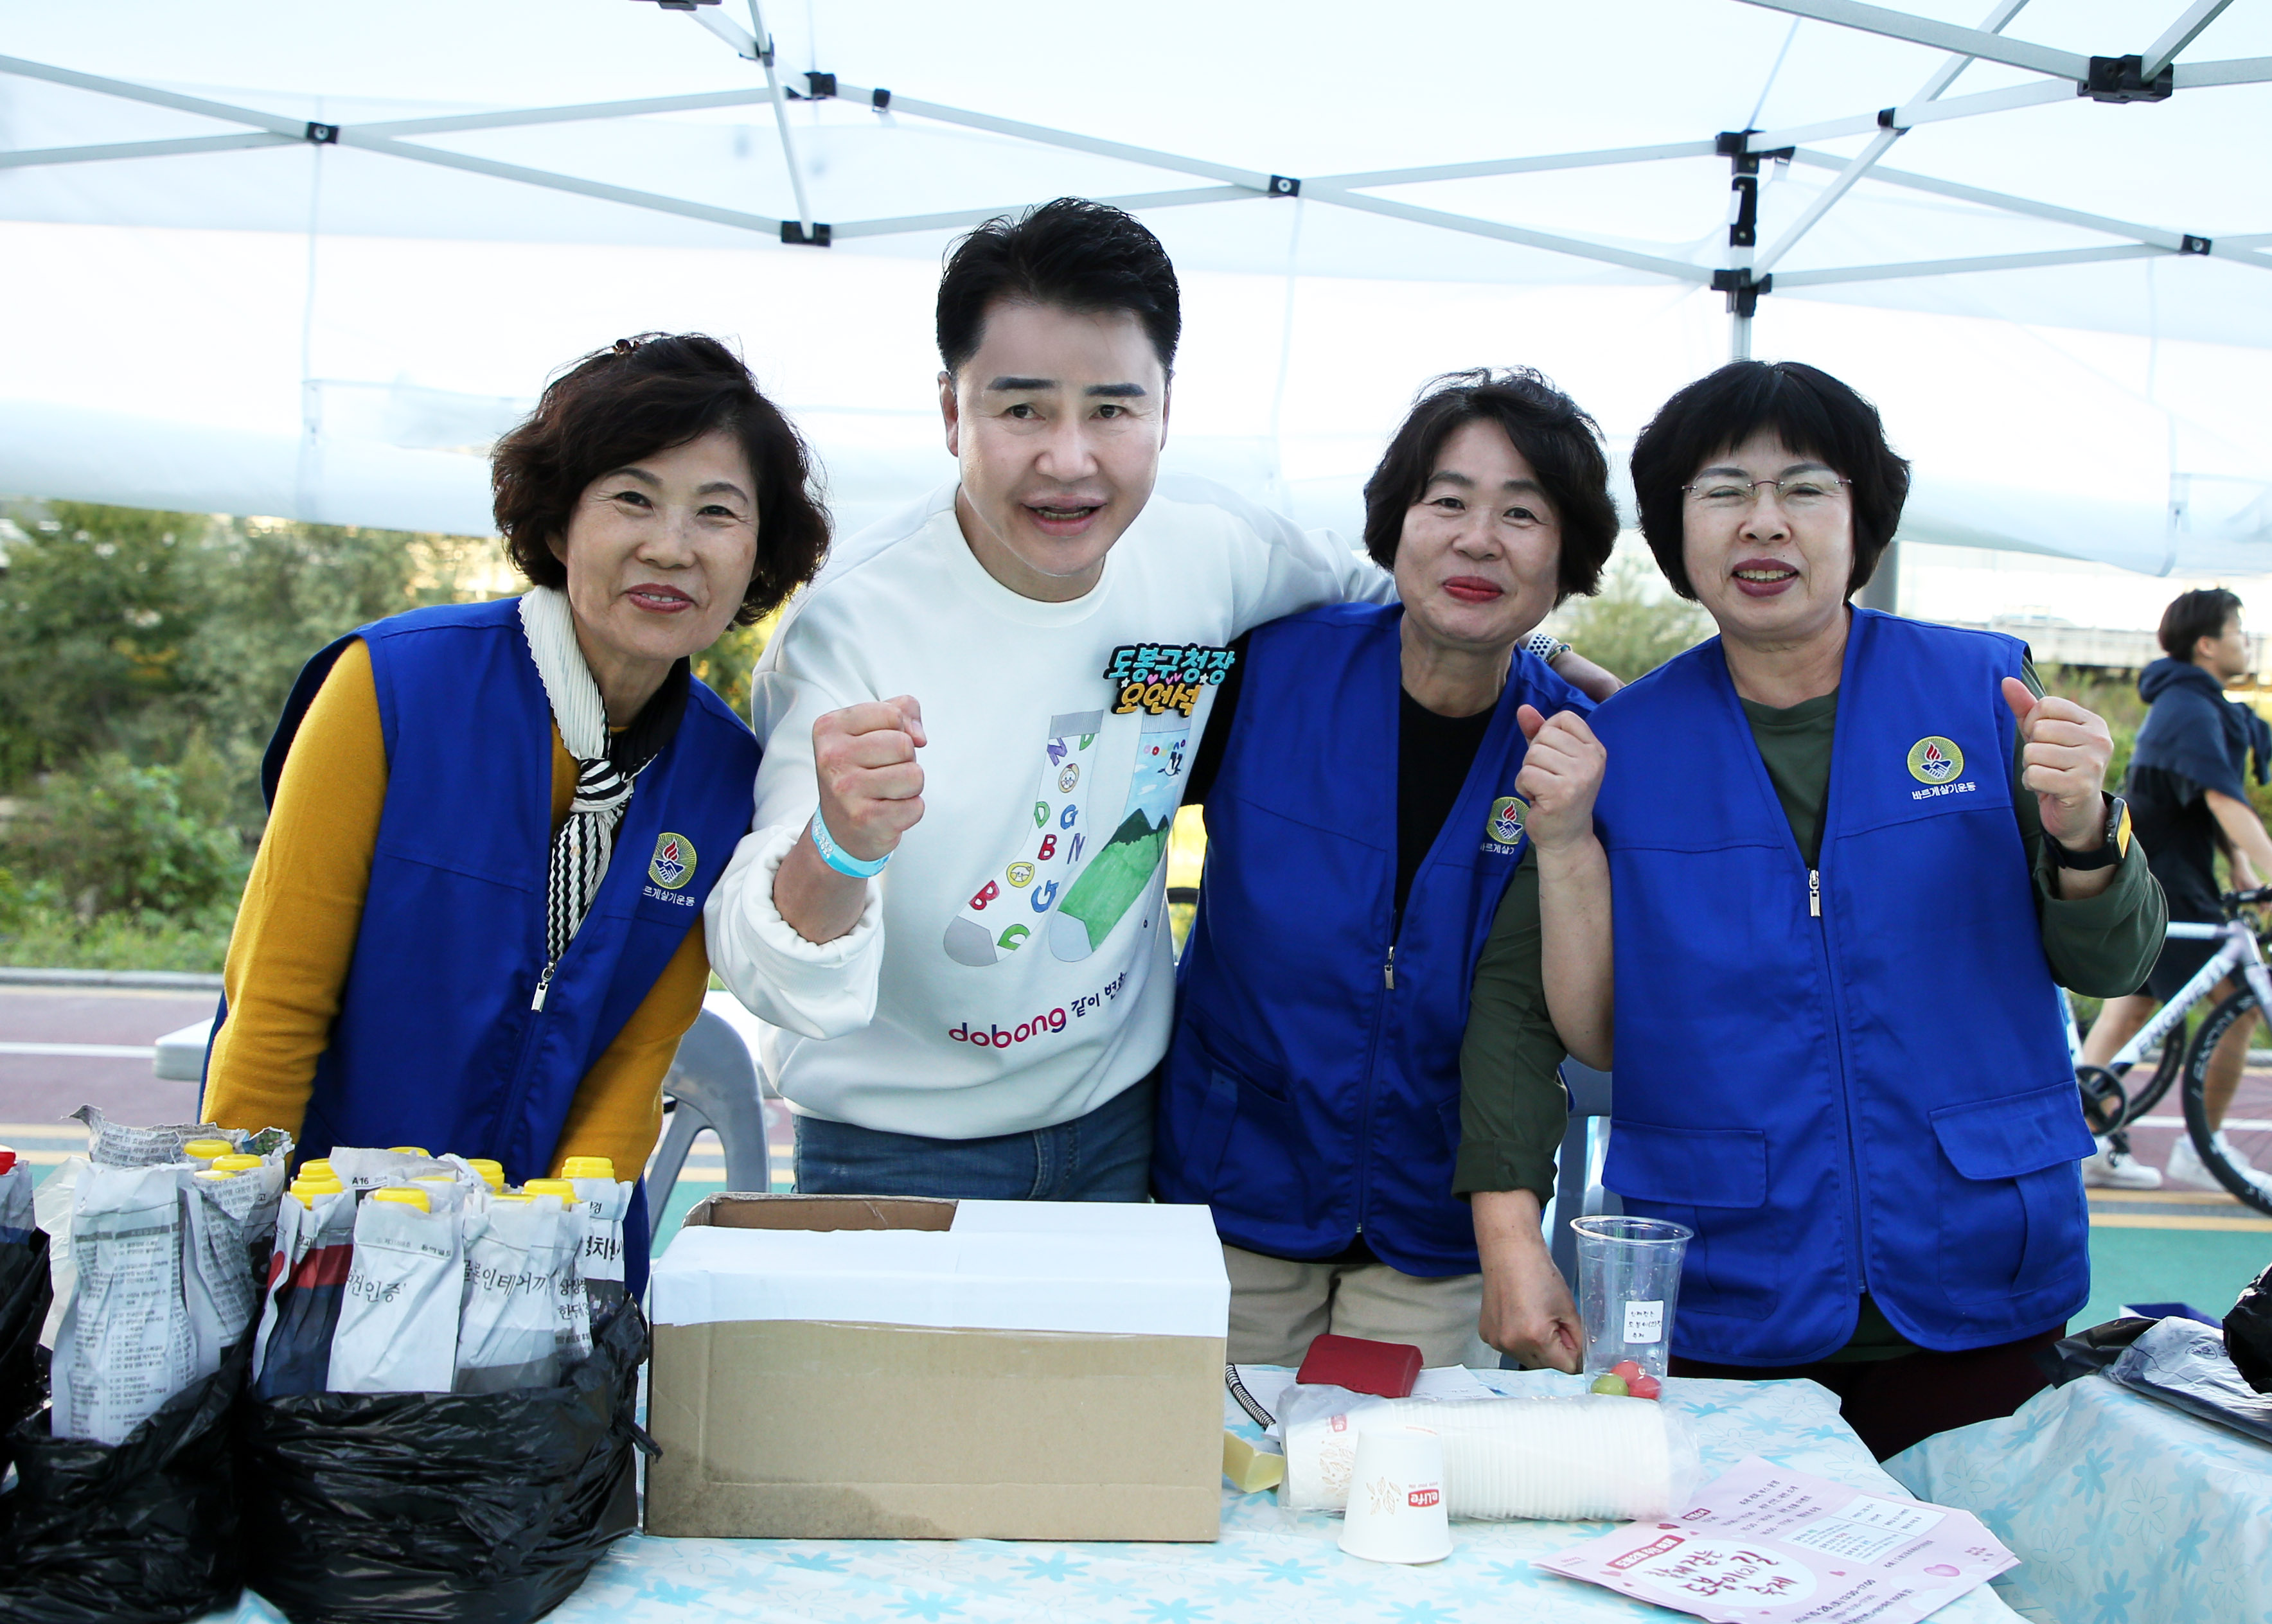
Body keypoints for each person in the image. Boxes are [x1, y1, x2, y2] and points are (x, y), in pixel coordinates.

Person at [704, 198, 1617, 1199]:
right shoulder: (853, 624)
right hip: (895, 1151)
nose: (1069, 458)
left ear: (1166, 408)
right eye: (1021, 410)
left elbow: (1415, 596)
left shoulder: (1211, 546)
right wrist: (839, 844)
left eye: (1111, 408)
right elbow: (770, 968)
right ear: (950, 410)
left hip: (1123, 1127)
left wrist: (1556, 657)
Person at [1501, 359, 2165, 1460]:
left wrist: (2087, 827)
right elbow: (1600, 1031)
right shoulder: (1627, 748)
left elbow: (2117, 950)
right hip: (1725, 1281)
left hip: (1976, 1266)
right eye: (1723, 490)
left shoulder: (1986, 692)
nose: (1764, 522)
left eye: (1804, 487)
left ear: (1861, 518)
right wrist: (1565, 841)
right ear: (1677, 531)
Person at [202, 333, 829, 1287]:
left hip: (541, 1267)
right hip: (329, 1245)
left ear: (758, 554)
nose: (671, 545)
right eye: (632, 498)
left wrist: (551, 1269)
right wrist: (238, 1250)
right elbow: (276, 1006)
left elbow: (636, 1059)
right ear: (560, 519)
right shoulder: (392, 688)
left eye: (717, 513)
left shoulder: (722, 774)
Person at [1153, 369, 1618, 1368]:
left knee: (1395, 1493)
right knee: (1217, 1482)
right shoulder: (1264, 670)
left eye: (1523, 514)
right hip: (1237, 1190)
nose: (1477, 538)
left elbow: (1573, 1015)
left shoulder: (1572, 753)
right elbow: (1104, 755)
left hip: (1438, 1222)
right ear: (1396, 525)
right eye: (1446, 501)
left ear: (1567, 558)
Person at [2078, 588, 2272, 1192]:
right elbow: (2220, 796)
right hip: (2167, 885)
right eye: (2239, 629)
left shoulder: (2189, 704)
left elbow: (2196, 798)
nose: (2247, 640)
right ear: (2208, 643)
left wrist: (2239, 864)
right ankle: (2201, 1148)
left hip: (2146, 874)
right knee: (2237, 1012)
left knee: (2129, 1007)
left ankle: (2085, 1143)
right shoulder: (2190, 706)